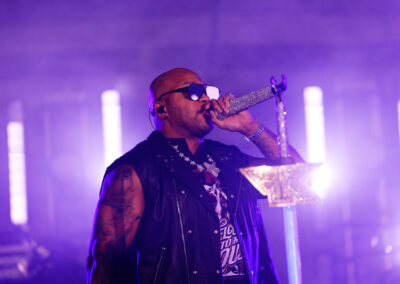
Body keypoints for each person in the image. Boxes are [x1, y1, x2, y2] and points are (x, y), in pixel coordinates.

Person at [86, 68, 304, 284]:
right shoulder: (135, 169)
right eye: (193, 91)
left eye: (207, 91)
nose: (206, 98)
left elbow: (298, 180)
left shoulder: (228, 159)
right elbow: (105, 263)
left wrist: (251, 129)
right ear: (162, 109)